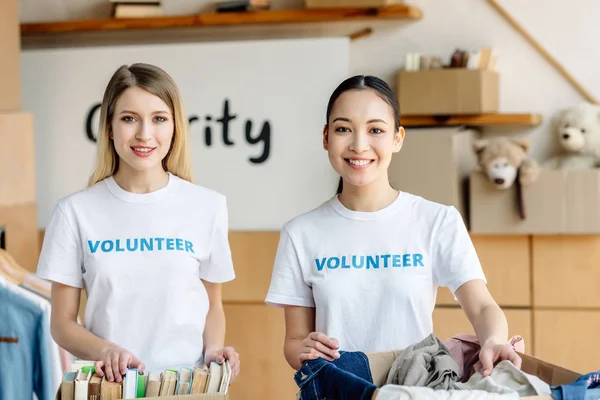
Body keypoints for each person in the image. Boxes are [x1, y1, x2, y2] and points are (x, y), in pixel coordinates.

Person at [264, 75, 521, 378]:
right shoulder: (301, 233)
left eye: (375, 130)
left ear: (397, 138)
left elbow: (481, 307)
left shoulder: (437, 221)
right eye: (343, 129)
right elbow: (294, 342)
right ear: (326, 137)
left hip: (414, 391)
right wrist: (304, 350)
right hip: (339, 392)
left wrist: (493, 341)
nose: (359, 145)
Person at [36, 63, 240, 384]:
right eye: (129, 119)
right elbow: (61, 323)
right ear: (109, 128)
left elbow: (213, 306)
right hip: (112, 388)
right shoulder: (73, 212)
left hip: (187, 388)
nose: (144, 134)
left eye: (159, 119)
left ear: (175, 127)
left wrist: (214, 350)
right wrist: (105, 351)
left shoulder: (208, 206)